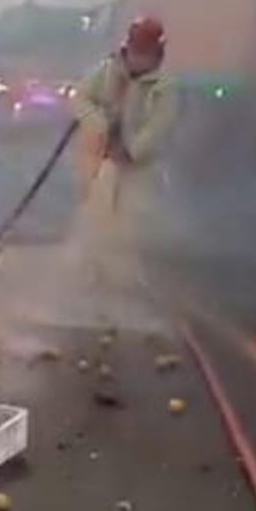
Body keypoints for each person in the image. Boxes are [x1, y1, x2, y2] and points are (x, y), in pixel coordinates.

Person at [65, 17, 179, 329]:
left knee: (130, 221)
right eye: (136, 51)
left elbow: (160, 126)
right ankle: (87, 276)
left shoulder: (164, 88)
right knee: (94, 215)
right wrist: (97, 123)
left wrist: (132, 150)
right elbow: (81, 97)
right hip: (102, 159)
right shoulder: (107, 72)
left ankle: (121, 285)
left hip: (136, 167)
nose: (139, 59)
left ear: (157, 55)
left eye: (147, 53)